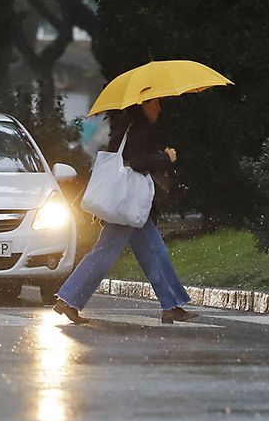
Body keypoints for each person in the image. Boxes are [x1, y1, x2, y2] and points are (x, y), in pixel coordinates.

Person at [52, 98, 196, 325]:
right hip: (129, 205)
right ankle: (68, 300)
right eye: (155, 103)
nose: (159, 107)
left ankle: (171, 305)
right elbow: (138, 162)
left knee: (154, 252)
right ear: (143, 105)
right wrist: (165, 158)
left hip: (131, 206)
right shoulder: (138, 128)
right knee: (107, 253)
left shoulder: (130, 127)